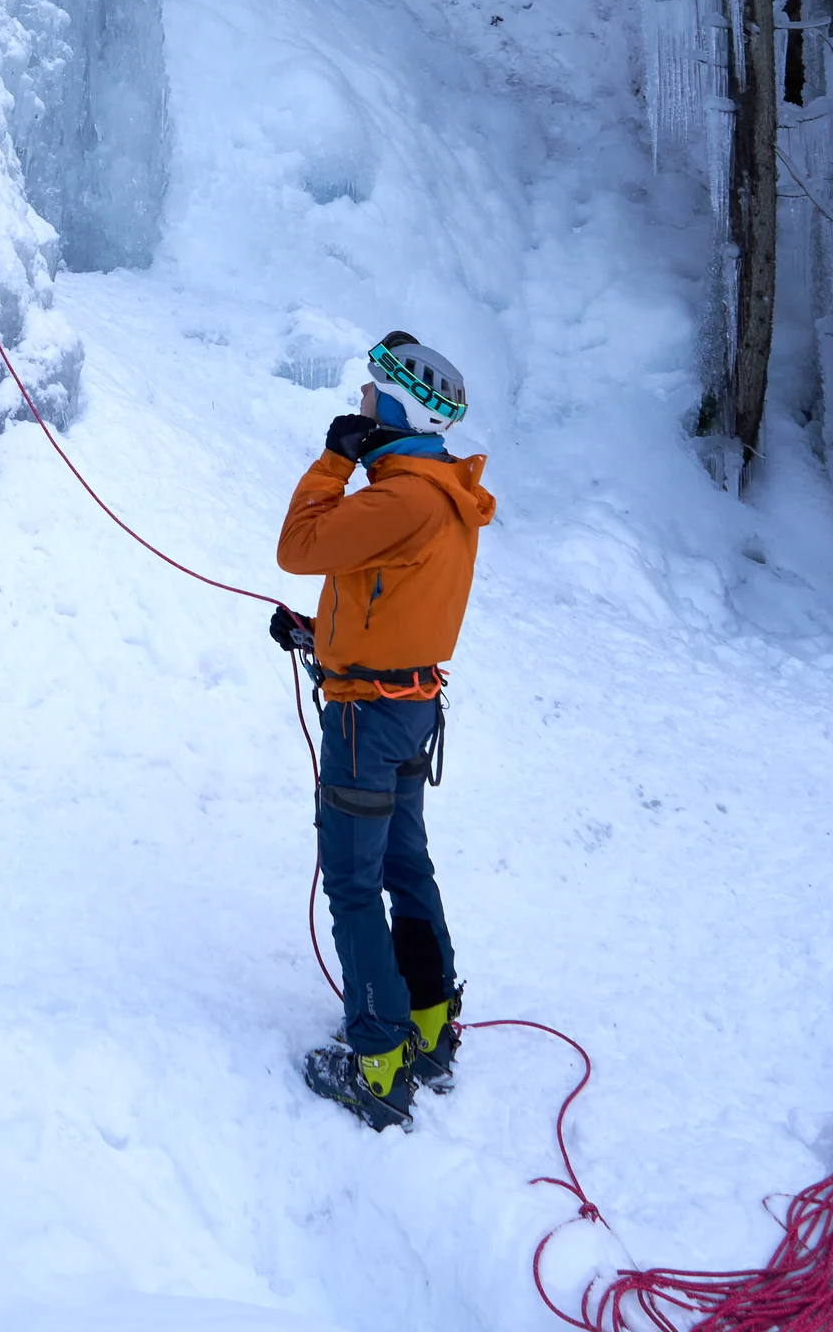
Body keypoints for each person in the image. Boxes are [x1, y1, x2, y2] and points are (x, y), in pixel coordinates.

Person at [272, 331, 495, 1132]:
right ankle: (431, 1031)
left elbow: (298, 546)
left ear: (397, 407)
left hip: (367, 721)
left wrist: (333, 460)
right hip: (408, 707)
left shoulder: (395, 497)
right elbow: (392, 597)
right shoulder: (440, 492)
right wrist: (318, 637)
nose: (360, 404)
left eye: (370, 395)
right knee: (406, 868)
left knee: (355, 886)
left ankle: (377, 1067)